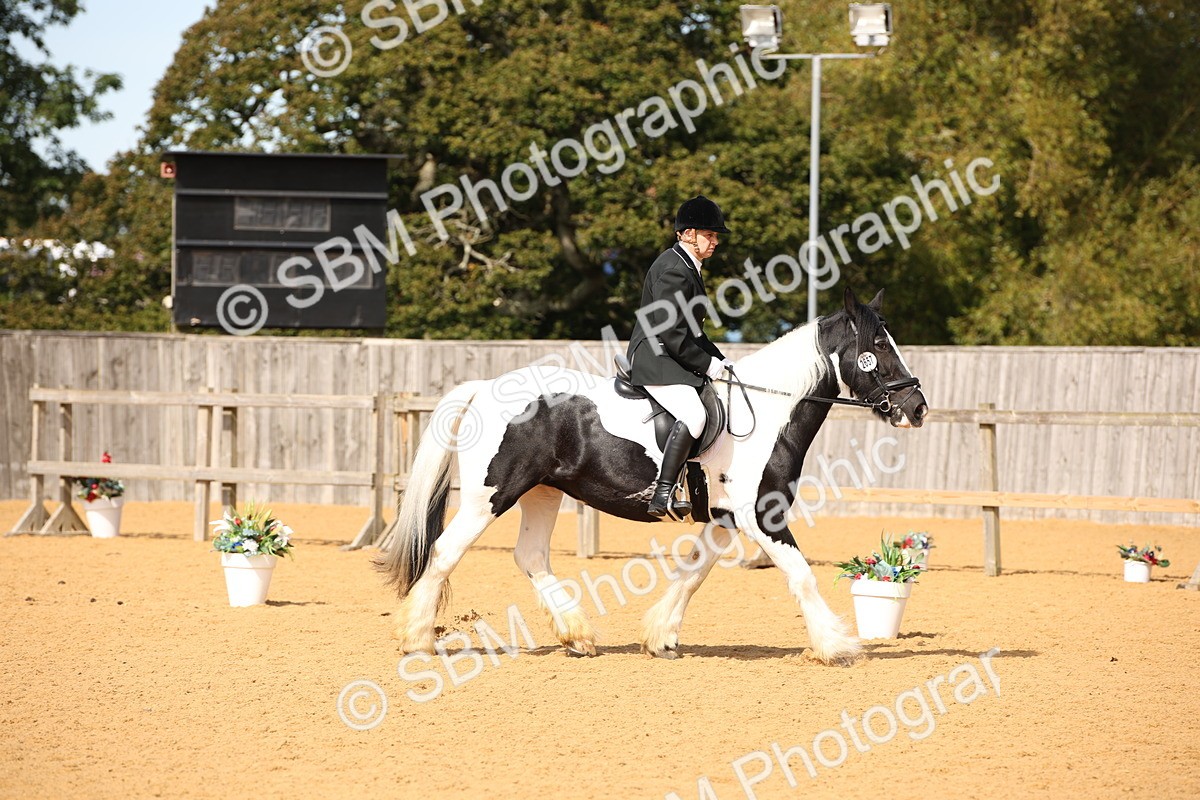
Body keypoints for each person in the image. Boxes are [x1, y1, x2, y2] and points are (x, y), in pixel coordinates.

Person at [625, 195, 733, 517]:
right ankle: (663, 491)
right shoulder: (674, 269)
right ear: (688, 234)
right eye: (709, 235)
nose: (714, 242)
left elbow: (695, 333)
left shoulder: (687, 266)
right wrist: (707, 364)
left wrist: (721, 360)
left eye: (715, 236)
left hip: (671, 353)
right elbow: (672, 334)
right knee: (695, 414)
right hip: (657, 357)